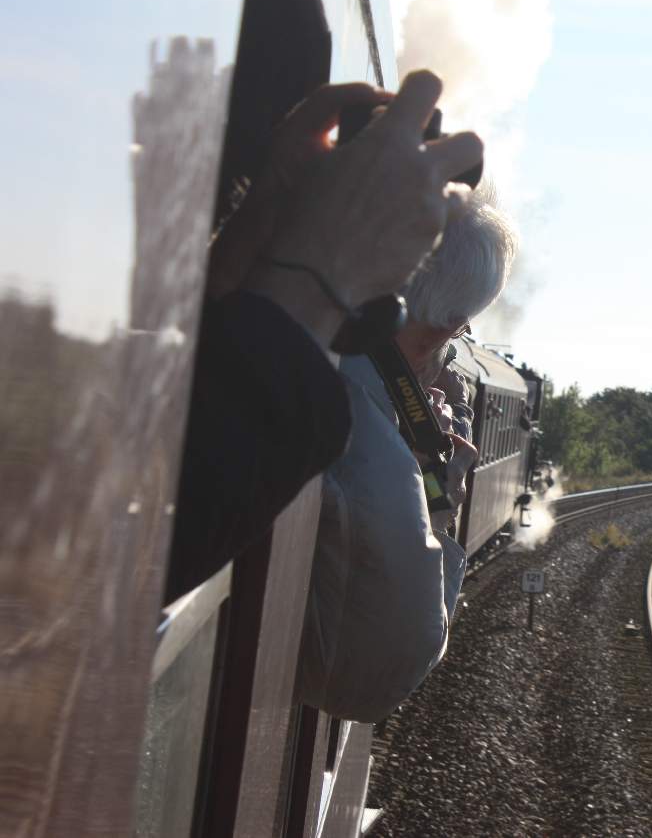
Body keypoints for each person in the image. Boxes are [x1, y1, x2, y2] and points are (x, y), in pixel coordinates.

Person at [163, 70, 485, 602]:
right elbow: (158, 536)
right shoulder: (368, 437)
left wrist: (257, 224)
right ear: (438, 331)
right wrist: (318, 281)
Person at [297, 184, 518, 722]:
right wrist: (436, 508)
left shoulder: (315, 352)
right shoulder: (376, 453)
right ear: (442, 328)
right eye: (459, 331)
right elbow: (368, 688)